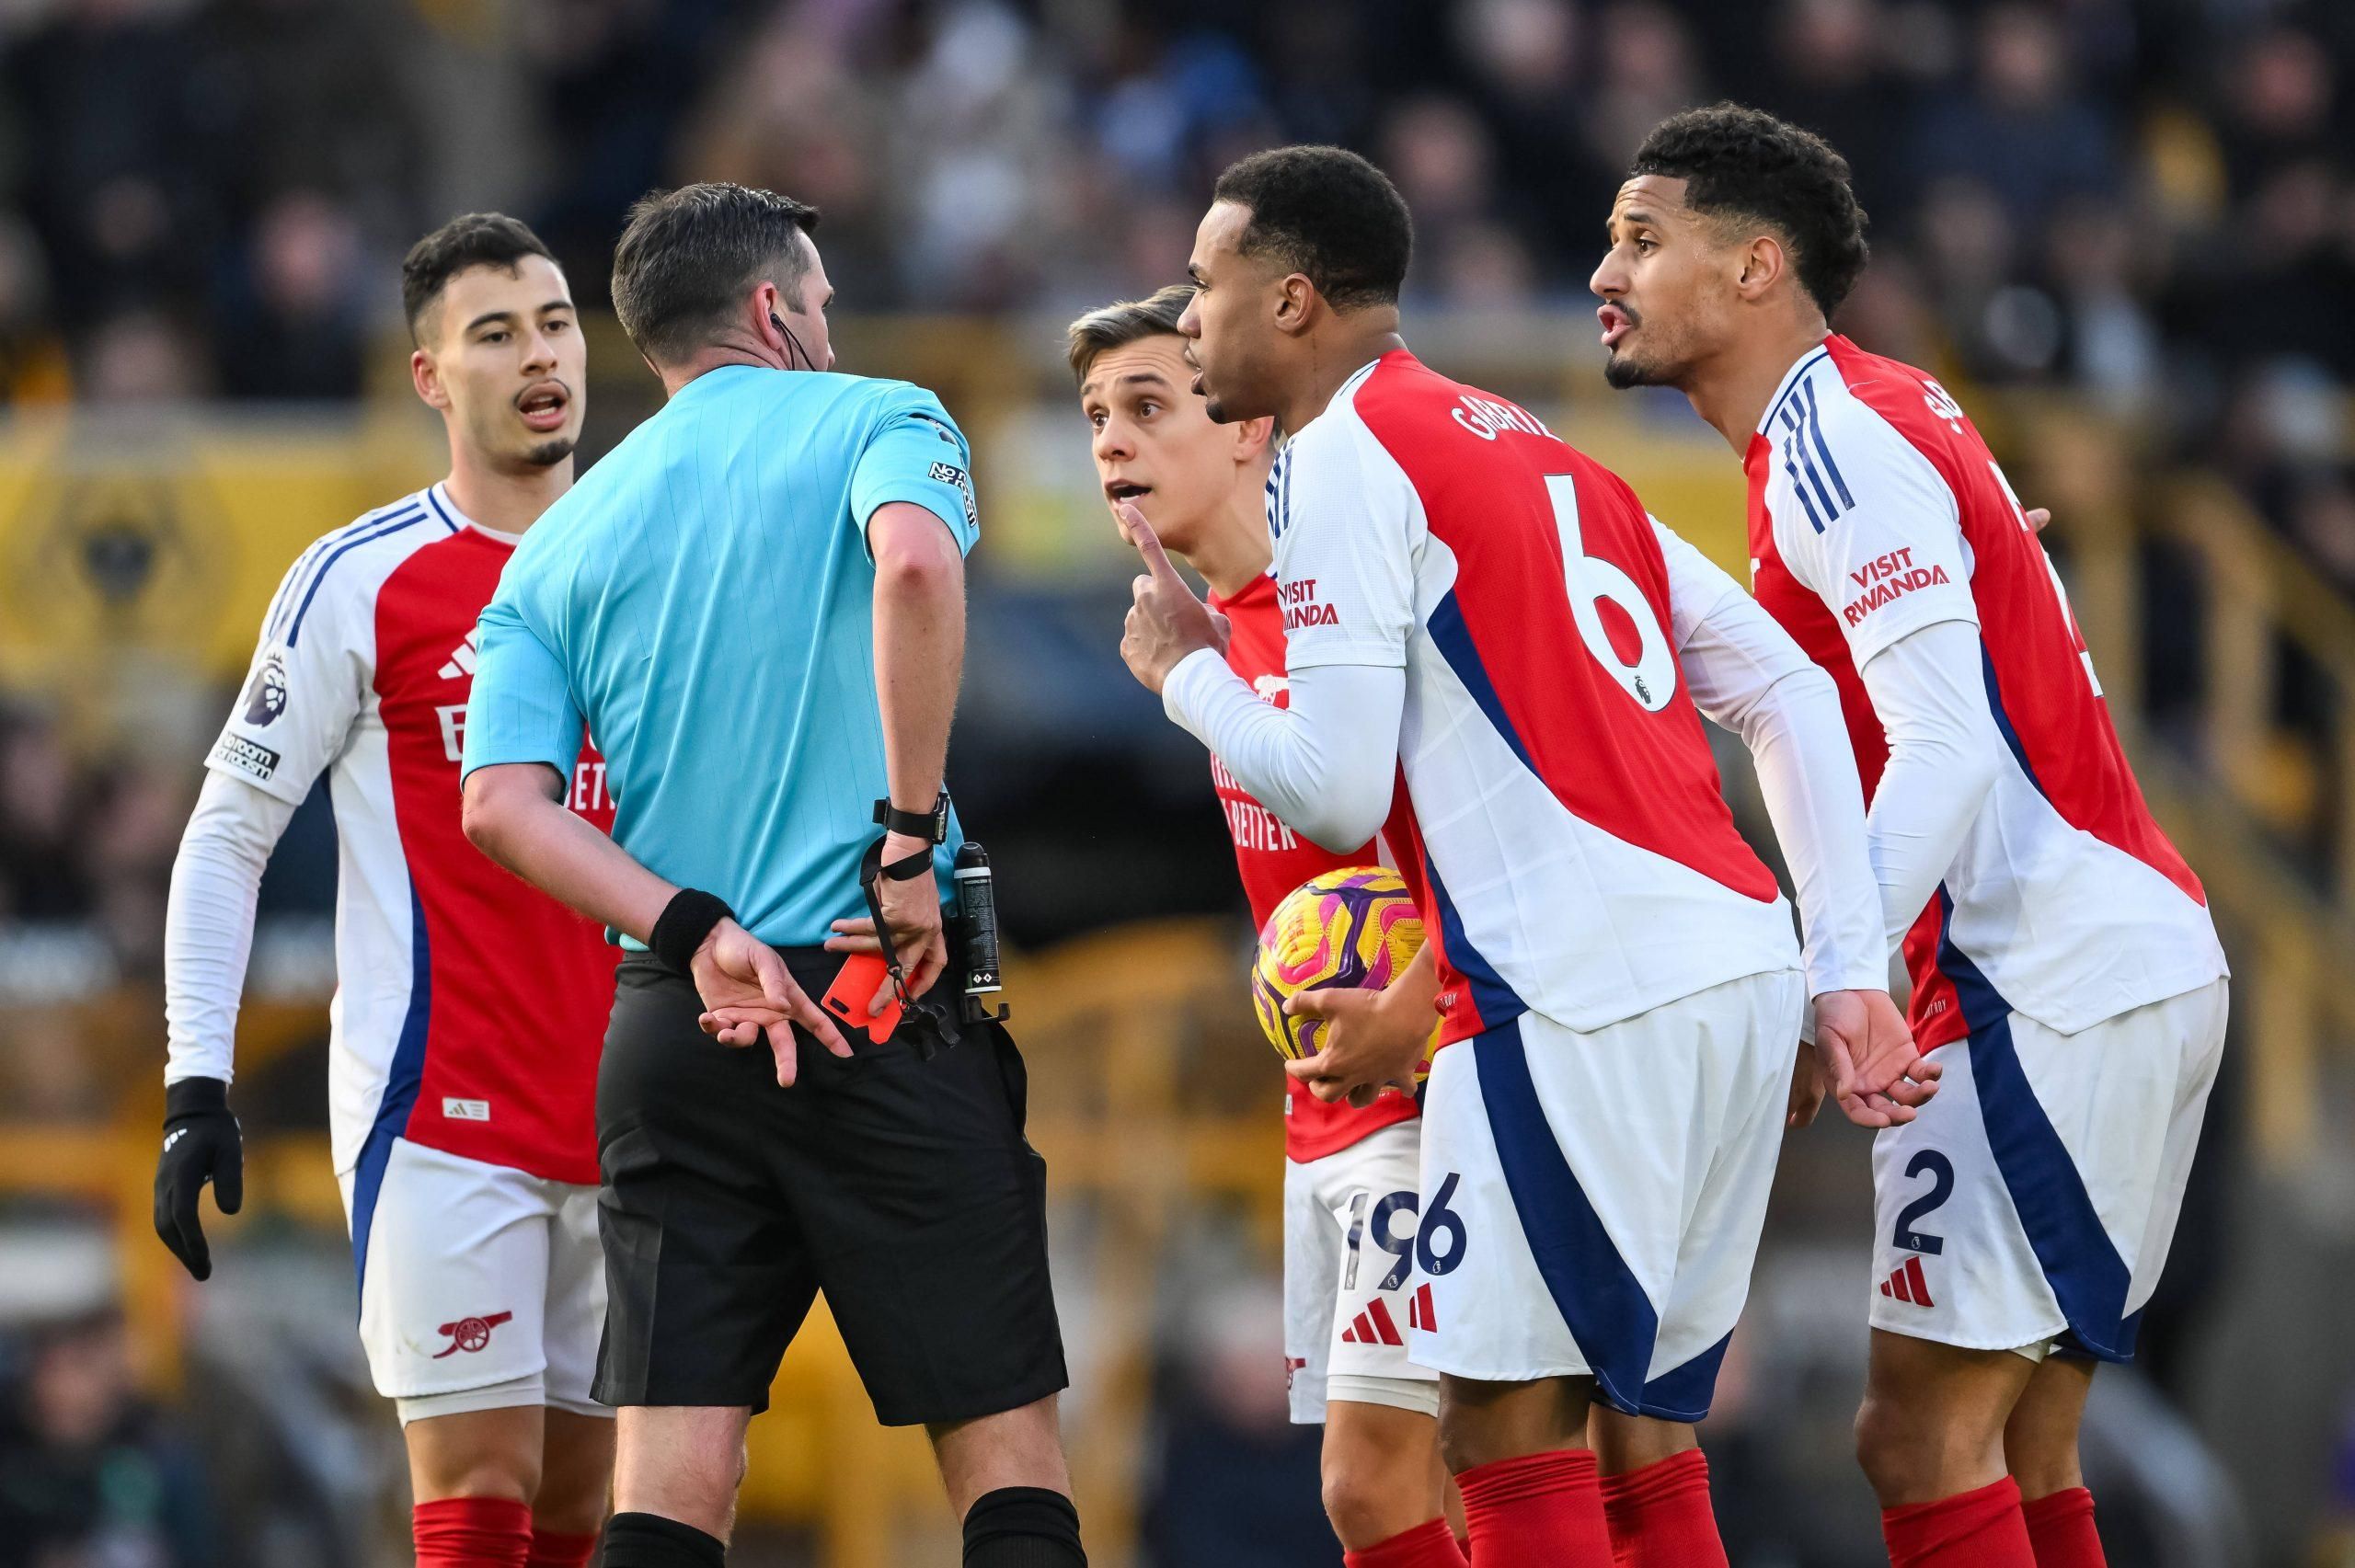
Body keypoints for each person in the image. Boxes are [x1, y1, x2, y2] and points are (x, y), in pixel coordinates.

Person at [1118, 143, 1933, 1568]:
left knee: (1503, 1432)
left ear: (1294, 299)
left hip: (1574, 994)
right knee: (1648, 1447)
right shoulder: (1541, 446)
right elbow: (1792, 688)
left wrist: (1189, 674)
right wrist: (1839, 961)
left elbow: (1333, 786)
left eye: (1204, 286)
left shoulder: (1345, 460)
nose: (1189, 320)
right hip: (1736, 964)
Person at [1589, 104, 2231, 1568]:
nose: (1600, 273)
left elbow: (1945, 742)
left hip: (2038, 976)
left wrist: (1841, 974)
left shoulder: (1833, 436)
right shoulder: (1880, 413)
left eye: (1642, 238)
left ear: (1757, 267)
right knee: (2019, 1441)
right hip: (2115, 952)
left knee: (1915, 1434)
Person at [455, 182, 1082, 1568]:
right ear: (771, 309)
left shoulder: (556, 538)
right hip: (880, 989)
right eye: (823, 298)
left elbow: (500, 805)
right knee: (1005, 1464)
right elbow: (915, 565)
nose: (833, 322)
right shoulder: (878, 415)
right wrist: (906, 842)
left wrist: (693, 927)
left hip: (684, 1016)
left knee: (671, 1482)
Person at [155, 212, 618, 1568]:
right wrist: (197, 1080)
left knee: (588, 1509)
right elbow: (226, 835)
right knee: (480, 1491)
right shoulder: (359, 580)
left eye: (554, 324)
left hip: (638, 1105)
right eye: (495, 334)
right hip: (443, 1112)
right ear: (430, 378)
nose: (538, 357)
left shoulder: (654, 559)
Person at [1068, 285, 1460, 1567]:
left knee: (1468, 1463)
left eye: (1146, 405)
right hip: (1337, 1087)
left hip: (1450, 1059)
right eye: (1093, 417)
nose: (1111, 443)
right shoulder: (1209, 627)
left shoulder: (1346, 590)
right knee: (1371, 1485)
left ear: (1242, 423)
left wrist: (1420, 1004)